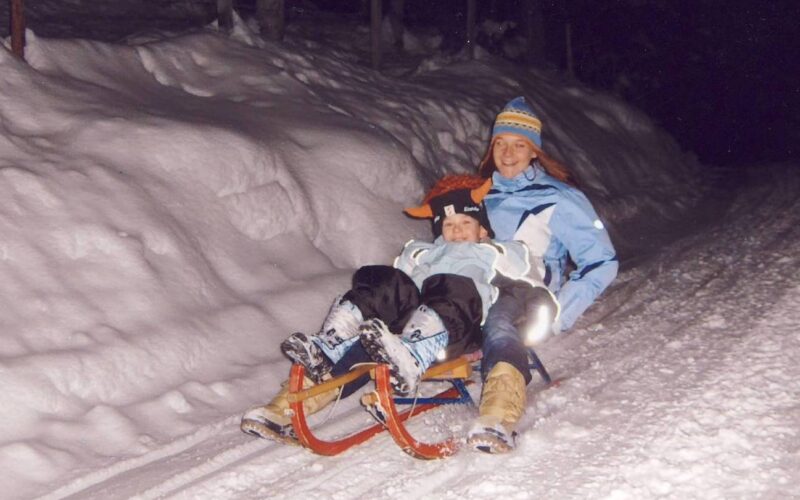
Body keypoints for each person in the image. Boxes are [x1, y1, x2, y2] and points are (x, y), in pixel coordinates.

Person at [240, 175, 557, 445]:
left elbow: (530, 287)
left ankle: (496, 417)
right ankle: (318, 361)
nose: (457, 230)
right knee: (379, 278)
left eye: (466, 223)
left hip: (458, 329)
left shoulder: (497, 255)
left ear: (483, 230)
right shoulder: (421, 255)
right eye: (449, 224)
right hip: (402, 337)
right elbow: (398, 292)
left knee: (450, 285)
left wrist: (534, 316)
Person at [464, 96, 619, 453]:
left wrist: (558, 313)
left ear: (534, 150)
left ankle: (498, 417)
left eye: (519, 145)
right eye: (500, 143)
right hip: (477, 288)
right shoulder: (477, 195)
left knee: (499, 320)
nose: (507, 153)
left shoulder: (559, 197)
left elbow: (602, 260)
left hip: (526, 294)